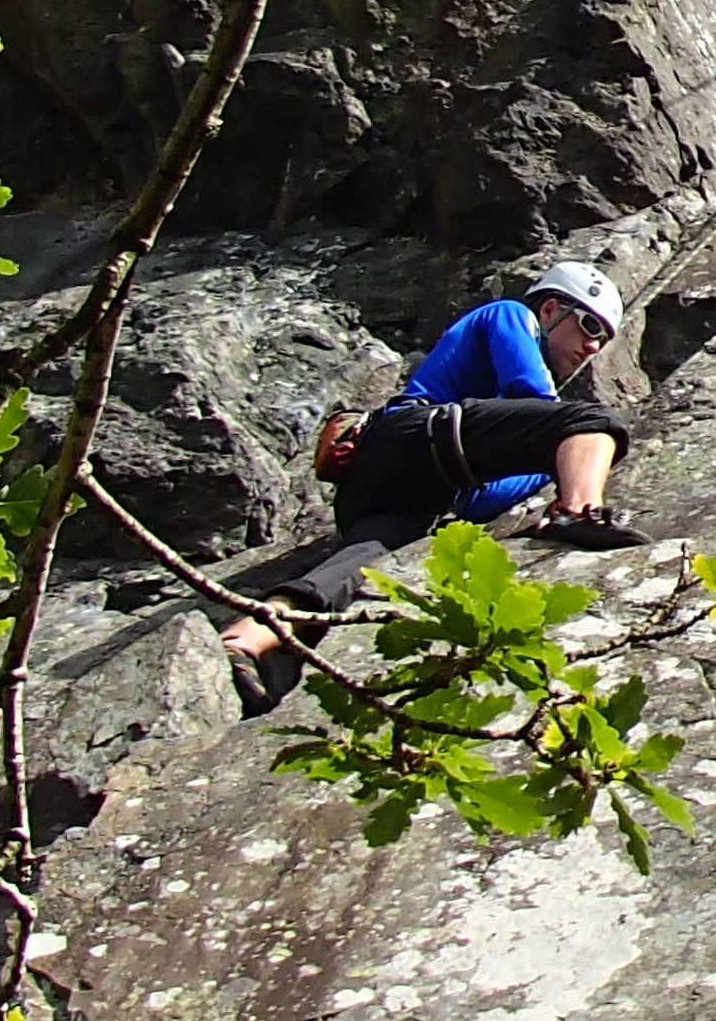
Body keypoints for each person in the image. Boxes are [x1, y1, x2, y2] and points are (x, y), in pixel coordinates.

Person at [221, 262, 647, 711]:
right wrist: (563, 441)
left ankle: (247, 640)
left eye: (603, 339)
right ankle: (579, 511)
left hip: (404, 494)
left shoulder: (534, 440)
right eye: (588, 326)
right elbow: (531, 394)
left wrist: (546, 467)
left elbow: (479, 502)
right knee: (596, 420)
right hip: (415, 434)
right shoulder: (510, 315)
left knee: (352, 570)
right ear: (550, 310)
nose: (593, 346)